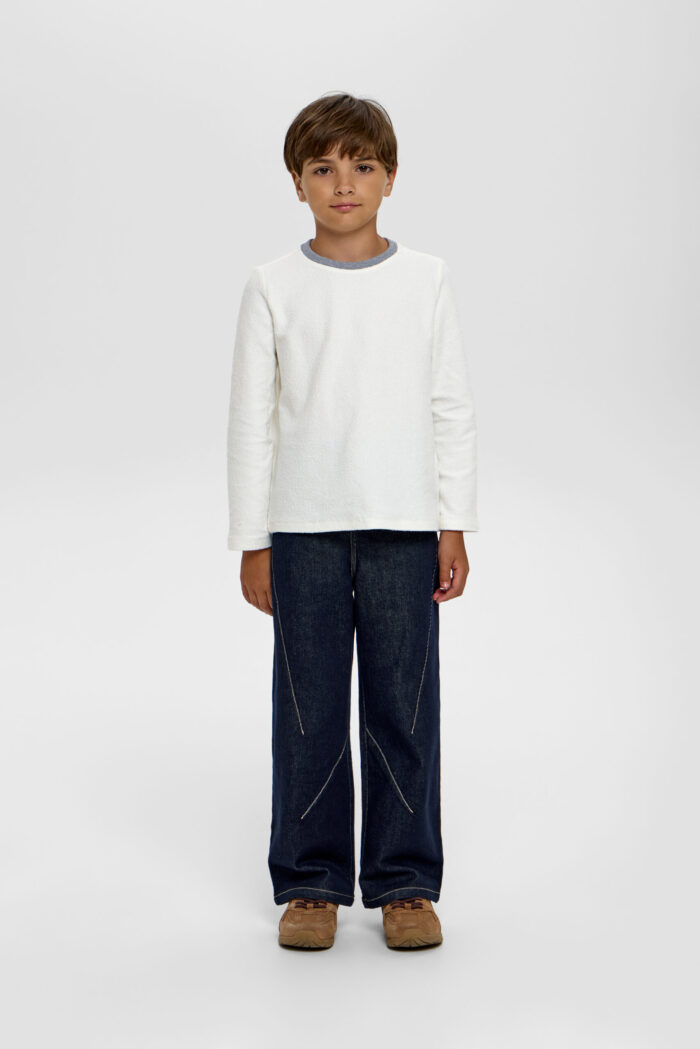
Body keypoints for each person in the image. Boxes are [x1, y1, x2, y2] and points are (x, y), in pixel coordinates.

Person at [226, 92, 479, 950]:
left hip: (406, 527)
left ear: (390, 178)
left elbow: (450, 405)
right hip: (302, 532)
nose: (344, 183)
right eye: (323, 167)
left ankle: (406, 882)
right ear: (297, 182)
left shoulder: (426, 279)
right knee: (309, 709)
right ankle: (311, 881)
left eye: (362, 166)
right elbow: (251, 422)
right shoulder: (273, 286)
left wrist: (454, 521)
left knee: (404, 705)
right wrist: (253, 540)